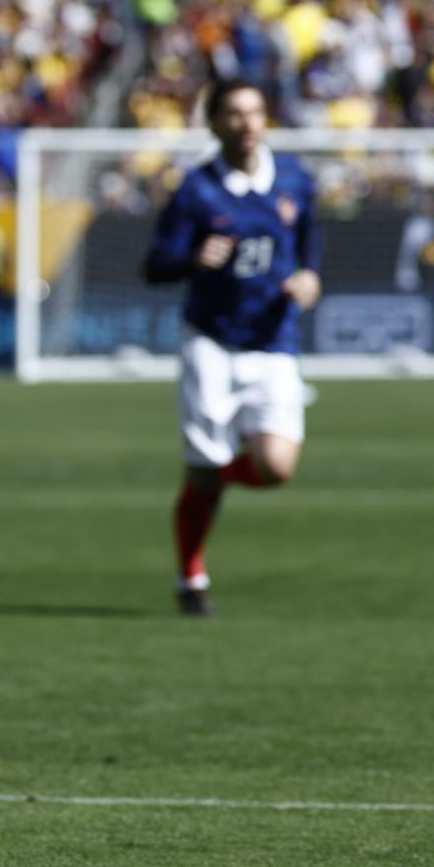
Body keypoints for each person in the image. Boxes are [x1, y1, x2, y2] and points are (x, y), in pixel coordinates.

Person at [144, 77, 322, 616]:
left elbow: (311, 240)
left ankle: (210, 475)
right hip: (213, 342)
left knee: (276, 467)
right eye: (235, 114)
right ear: (214, 123)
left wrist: (309, 276)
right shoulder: (196, 190)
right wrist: (193, 259)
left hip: (273, 340)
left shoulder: (292, 179)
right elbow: (155, 266)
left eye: (255, 112)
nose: (247, 124)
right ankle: (189, 577)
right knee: (205, 470)